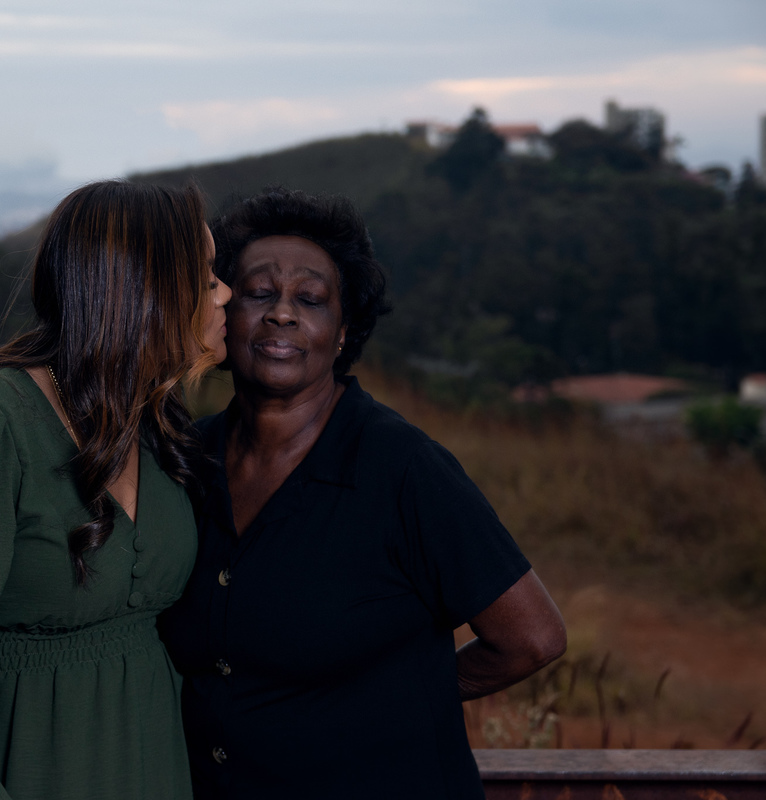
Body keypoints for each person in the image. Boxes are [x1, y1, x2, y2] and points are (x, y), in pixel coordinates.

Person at [161, 188, 566, 799]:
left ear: (345, 332)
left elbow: (533, 639)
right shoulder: (185, 458)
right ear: (222, 313)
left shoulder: (403, 469)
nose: (283, 314)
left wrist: (401, 692)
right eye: (259, 292)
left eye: (312, 300)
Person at [0, 180, 232, 800]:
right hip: (31, 767)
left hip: (155, 765)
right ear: (147, 291)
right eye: (206, 278)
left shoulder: (154, 422)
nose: (227, 293)